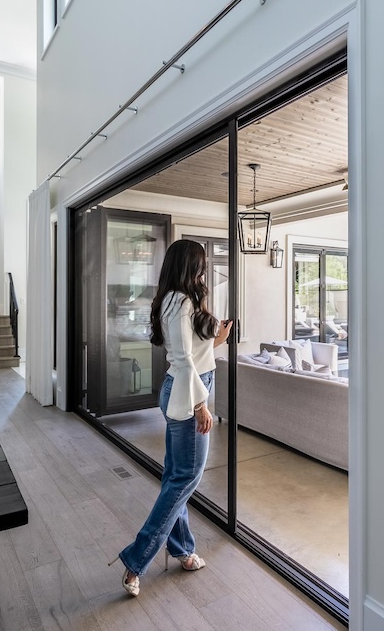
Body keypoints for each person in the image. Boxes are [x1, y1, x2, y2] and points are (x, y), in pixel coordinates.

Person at [110, 239, 233, 597]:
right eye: (201, 262)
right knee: (185, 479)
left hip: (185, 389)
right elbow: (182, 361)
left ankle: (182, 550)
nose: (204, 269)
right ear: (188, 265)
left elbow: (193, 353)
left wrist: (218, 340)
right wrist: (201, 405)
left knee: (175, 476)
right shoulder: (179, 301)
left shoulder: (181, 299)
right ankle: (136, 560)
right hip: (188, 394)